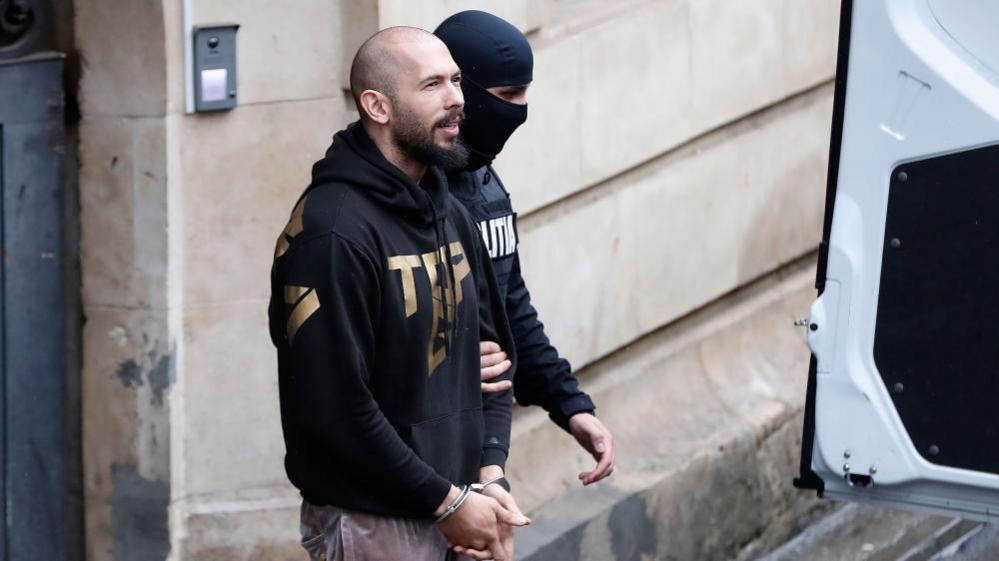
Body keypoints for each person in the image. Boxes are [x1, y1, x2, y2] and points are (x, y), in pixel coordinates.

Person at [268, 26, 528, 561]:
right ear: (377, 106)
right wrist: (447, 503)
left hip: (458, 503)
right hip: (374, 521)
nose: (457, 98)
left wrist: (489, 474)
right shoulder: (332, 233)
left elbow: (497, 360)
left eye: (456, 80)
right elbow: (334, 410)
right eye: (432, 85)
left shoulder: (450, 211)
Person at [434, 11, 616, 487]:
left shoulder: (485, 183)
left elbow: (510, 308)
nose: (521, 109)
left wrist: (570, 404)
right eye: (507, 96)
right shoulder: (404, 196)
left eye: (525, 92)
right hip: (415, 467)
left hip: (482, 454)